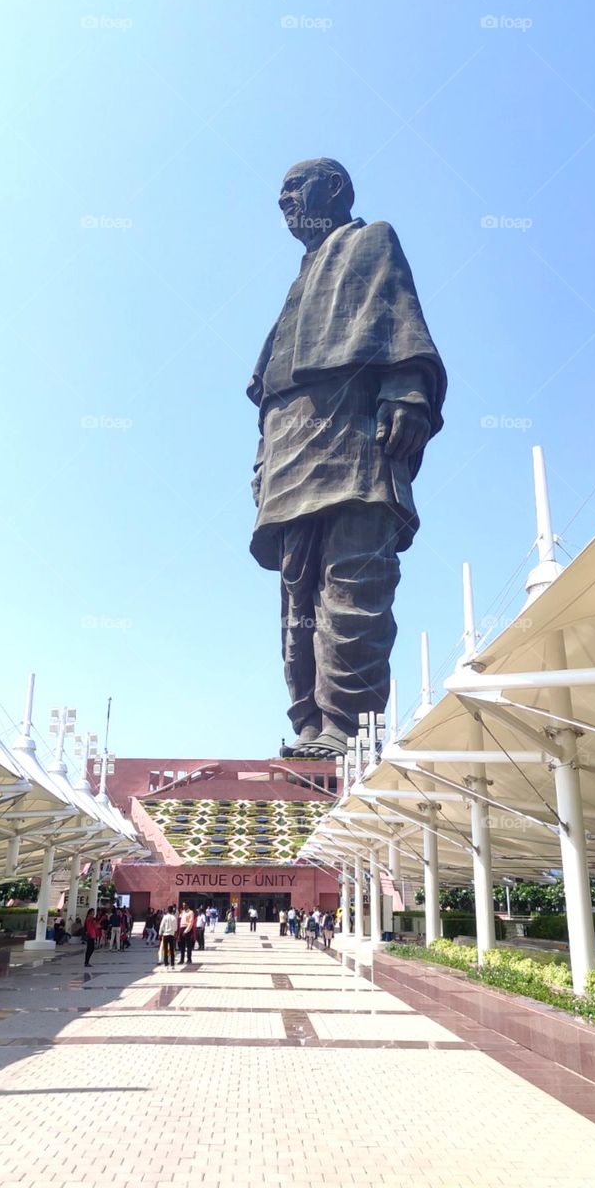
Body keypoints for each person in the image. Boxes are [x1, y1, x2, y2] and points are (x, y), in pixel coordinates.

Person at [248, 159, 447, 761]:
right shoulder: (298, 280)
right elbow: (268, 386)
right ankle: (310, 721)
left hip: (352, 429)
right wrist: (262, 457)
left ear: (333, 187)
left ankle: (347, 725)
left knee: (354, 575)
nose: (283, 201)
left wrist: (406, 388)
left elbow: (399, 318)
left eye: (293, 188)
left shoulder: (370, 239)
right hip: (289, 443)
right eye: (277, 192)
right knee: (297, 590)